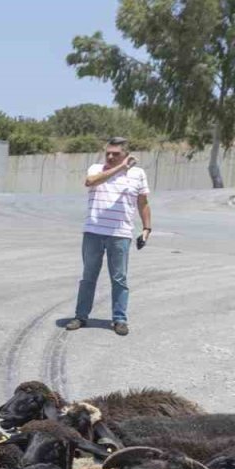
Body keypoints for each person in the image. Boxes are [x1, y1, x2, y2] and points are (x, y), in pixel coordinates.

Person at [65, 136, 151, 336]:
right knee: (88, 277)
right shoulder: (96, 169)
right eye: (108, 153)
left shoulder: (138, 174)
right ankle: (81, 316)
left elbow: (143, 203)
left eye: (116, 154)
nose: (111, 156)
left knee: (119, 278)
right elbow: (90, 182)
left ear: (126, 154)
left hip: (120, 234)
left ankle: (119, 319)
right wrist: (120, 167)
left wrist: (147, 229)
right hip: (93, 232)